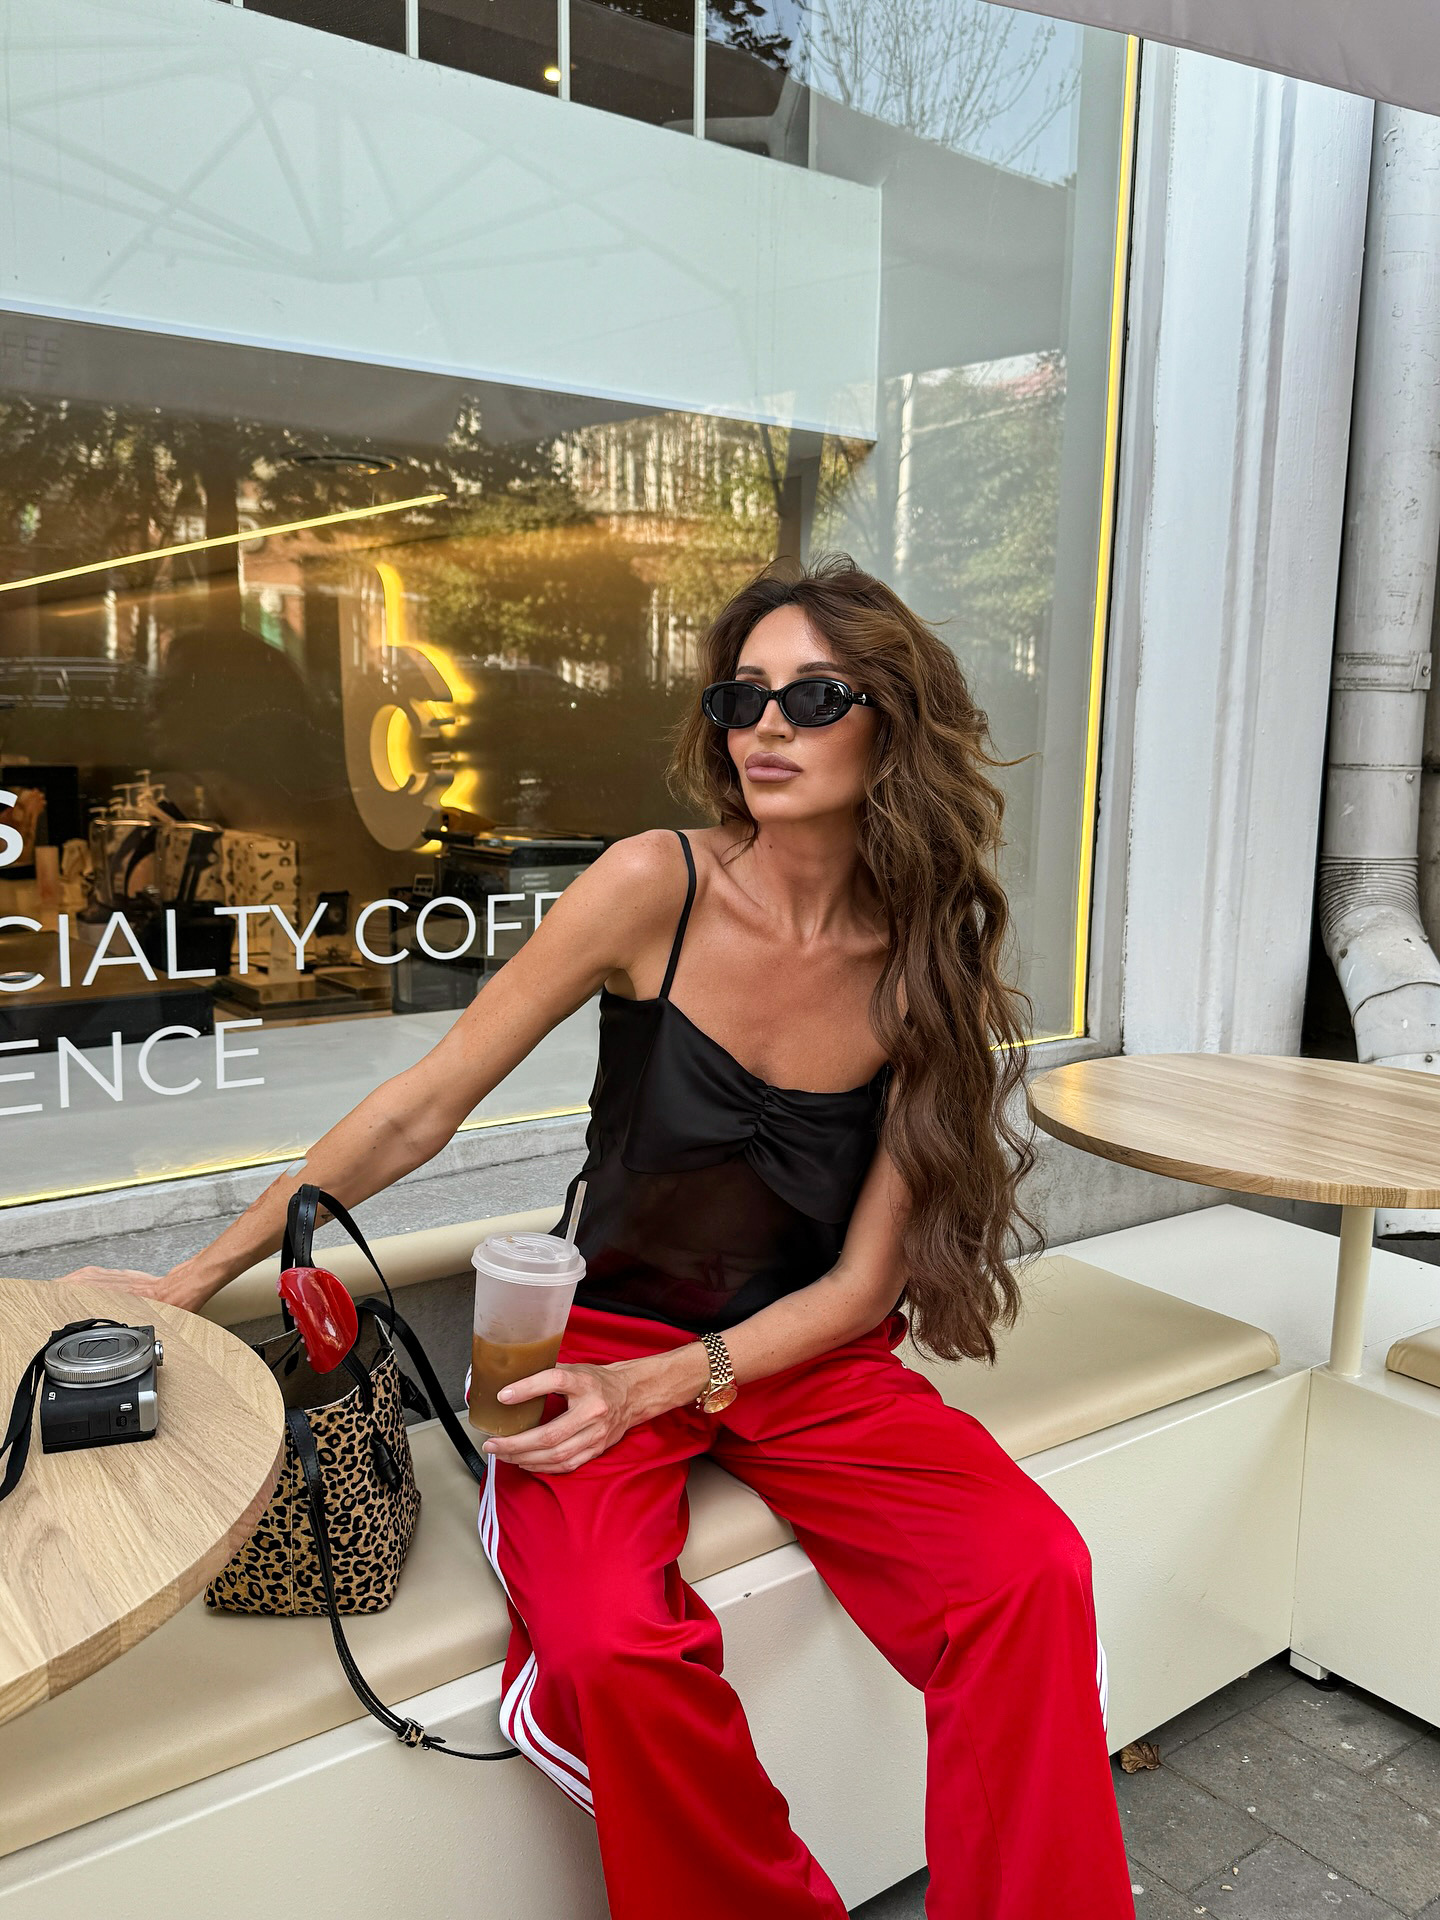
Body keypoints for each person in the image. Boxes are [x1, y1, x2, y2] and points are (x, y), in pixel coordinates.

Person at [72, 556, 1135, 1919]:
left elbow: (866, 1282)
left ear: (893, 723)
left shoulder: (927, 957)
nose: (766, 727)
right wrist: (201, 1273)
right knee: (608, 1651)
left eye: (814, 697)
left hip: (809, 1355)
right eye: (742, 697)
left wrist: (684, 1382)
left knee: (1028, 1574)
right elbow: (420, 1108)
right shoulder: (655, 884)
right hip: (599, 1344)